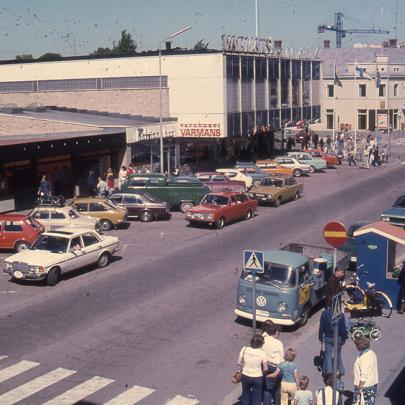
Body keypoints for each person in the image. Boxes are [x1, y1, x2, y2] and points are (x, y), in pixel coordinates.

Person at [237, 334, 268, 405]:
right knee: (257, 398)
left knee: (245, 395)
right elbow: (266, 368)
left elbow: (238, 362)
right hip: (257, 377)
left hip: (245, 375)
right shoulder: (262, 353)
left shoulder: (244, 349)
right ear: (261, 344)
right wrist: (261, 371)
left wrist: (244, 365)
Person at [318, 306, 348, 377]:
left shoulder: (324, 313)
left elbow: (321, 327)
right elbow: (343, 327)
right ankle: (341, 370)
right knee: (337, 354)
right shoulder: (339, 314)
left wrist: (320, 337)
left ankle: (329, 373)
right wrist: (344, 338)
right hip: (338, 337)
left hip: (328, 337)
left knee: (328, 356)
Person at [262, 321, 284, 405]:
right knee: (277, 389)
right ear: (277, 332)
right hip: (275, 367)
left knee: (267, 389)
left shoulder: (263, 340)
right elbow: (281, 359)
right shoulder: (278, 343)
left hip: (265, 366)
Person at [352, 336, 379, 405]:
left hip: (365, 386)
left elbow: (364, 374)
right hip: (372, 383)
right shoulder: (371, 353)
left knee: (361, 402)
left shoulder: (364, 358)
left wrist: (360, 386)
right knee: (370, 402)